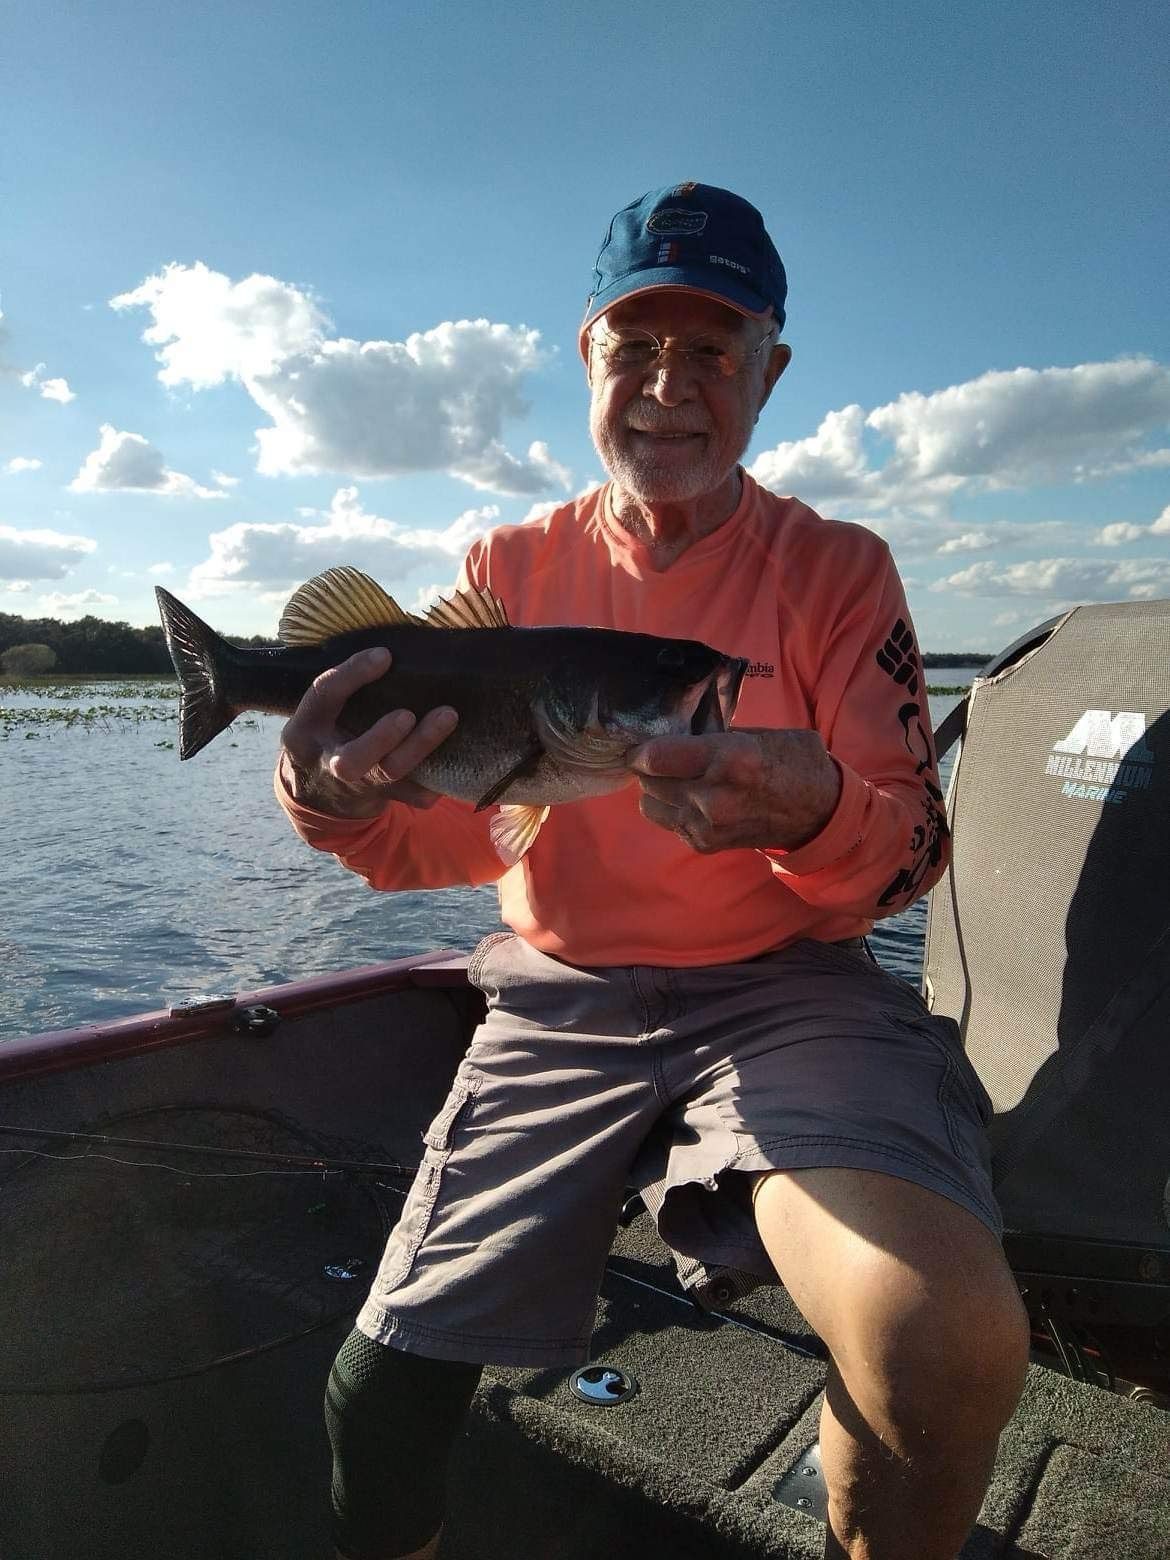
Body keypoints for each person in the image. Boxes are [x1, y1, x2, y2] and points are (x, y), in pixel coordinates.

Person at [277, 183, 1029, 1560]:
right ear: (586, 362)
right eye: (636, 349)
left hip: (788, 991)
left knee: (939, 1344)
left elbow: (907, 853)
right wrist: (331, 798)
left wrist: (807, 815)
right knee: (377, 1395)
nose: (670, 388)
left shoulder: (839, 572)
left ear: (770, 371)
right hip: (558, 996)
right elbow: (454, 836)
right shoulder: (508, 565)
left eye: (713, 352)